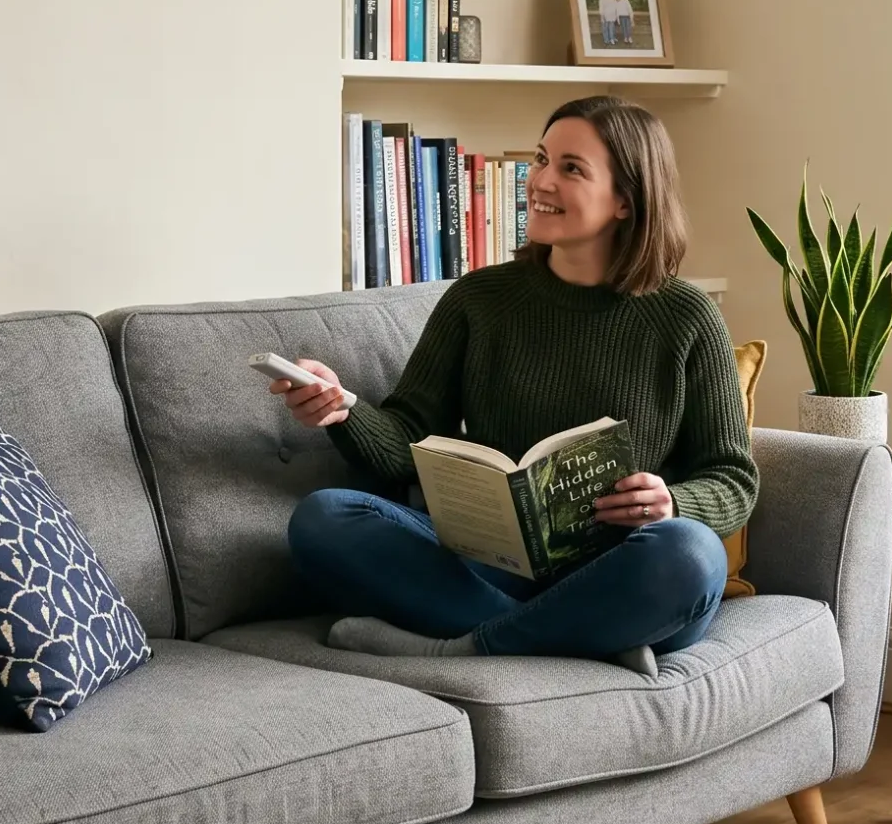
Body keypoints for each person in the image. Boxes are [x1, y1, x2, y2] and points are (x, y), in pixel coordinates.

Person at [274, 96, 754, 675]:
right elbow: (408, 438)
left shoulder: (687, 316)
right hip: (495, 563)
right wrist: (343, 411)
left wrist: (672, 501)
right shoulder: (479, 300)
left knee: (691, 555)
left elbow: (733, 477)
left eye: (571, 168)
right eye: (542, 158)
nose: (540, 180)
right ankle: (583, 637)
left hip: (623, 569)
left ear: (627, 200)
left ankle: (465, 645)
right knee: (324, 518)